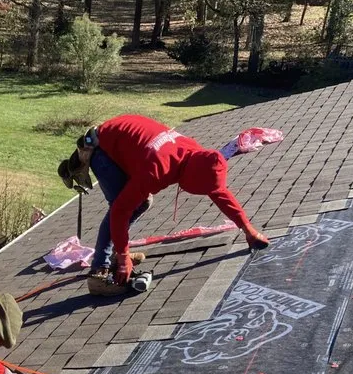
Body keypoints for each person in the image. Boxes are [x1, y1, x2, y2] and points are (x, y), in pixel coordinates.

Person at [58, 114, 269, 295]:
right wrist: (125, 258)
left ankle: (116, 253)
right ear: (191, 182)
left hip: (126, 138)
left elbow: (220, 195)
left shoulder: (196, 154)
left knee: (139, 201)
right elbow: (120, 212)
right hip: (101, 148)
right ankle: (99, 272)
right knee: (122, 206)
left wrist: (248, 230)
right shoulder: (157, 169)